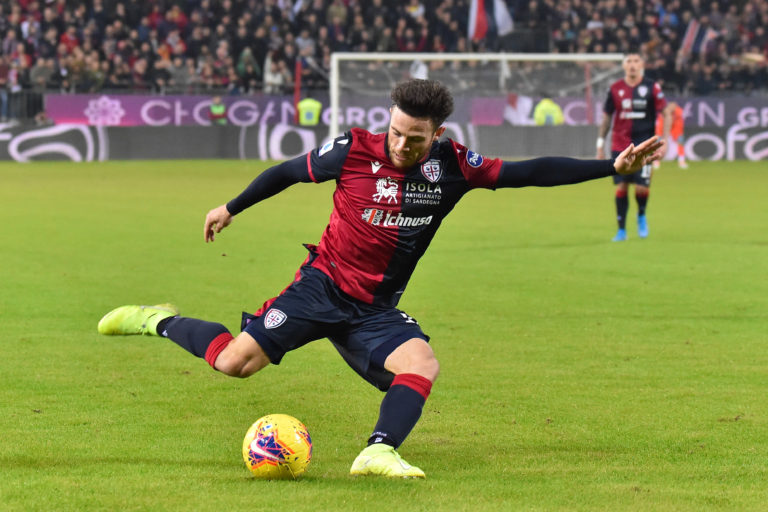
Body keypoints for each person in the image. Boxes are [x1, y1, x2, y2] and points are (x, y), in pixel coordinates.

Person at [97, 79, 664, 479]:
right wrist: (231, 206)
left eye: (414, 138)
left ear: (437, 134)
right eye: (395, 132)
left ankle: (378, 451)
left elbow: (527, 173)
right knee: (233, 363)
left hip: (374, 309)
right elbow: (287, 172)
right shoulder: (351, 150)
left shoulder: (453, 166)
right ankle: (158, 320)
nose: (401, 144)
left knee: (422, 365)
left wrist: (610, 167)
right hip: (321, 287)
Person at [597, 52, 670, 242]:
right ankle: (621, 230)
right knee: (622, 185)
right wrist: (600, 144)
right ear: (623, 66)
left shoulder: (652, 87)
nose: (632, 65)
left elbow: (667, 113)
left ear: (642, 65)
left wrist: (665, 141)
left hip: (644, 146)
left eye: (636, 61)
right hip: (620, 145)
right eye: (629, 61)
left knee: (641, 188)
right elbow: (606, 118)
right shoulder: (615, 88)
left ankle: (641, 215)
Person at [654, 100, 688, 169]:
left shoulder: (679, 111)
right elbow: (660, 124)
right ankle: (656, 160)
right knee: (658, 143)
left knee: (680, 142)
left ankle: (681, 161)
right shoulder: (663, 112)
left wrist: (677, 133)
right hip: (662, 128)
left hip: (676, 128)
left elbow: (679, 124)